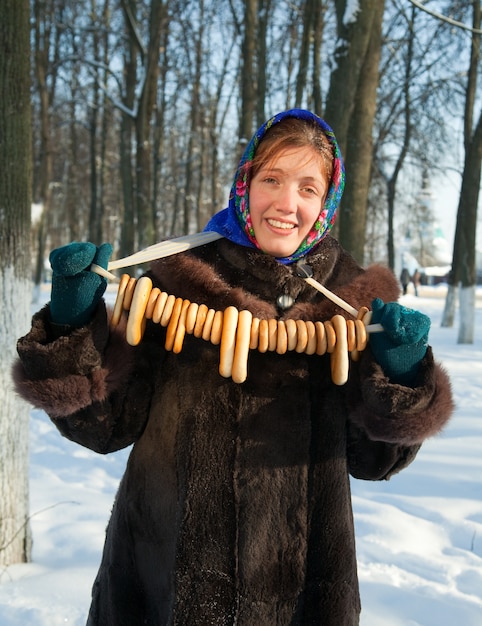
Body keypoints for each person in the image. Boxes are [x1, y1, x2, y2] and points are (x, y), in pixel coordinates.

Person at [13, 109, 454, 626]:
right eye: (273, 179)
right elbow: (106, 426)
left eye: (308, 188)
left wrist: (401, 375)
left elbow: (375, 461)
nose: (288, 204)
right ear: (246, 182)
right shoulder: (177, 280)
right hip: (161, 584)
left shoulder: (351, 306)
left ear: (327, 200)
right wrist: (74, 323)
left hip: (302, 597)